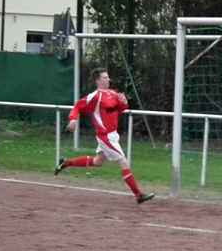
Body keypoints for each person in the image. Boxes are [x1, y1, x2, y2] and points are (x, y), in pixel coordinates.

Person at [54, 68, 154, 204]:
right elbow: (78, 106)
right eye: (105, 77)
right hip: (105, 136)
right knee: (123, 162)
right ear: (98, 80)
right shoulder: (95, 96)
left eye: (108, 77)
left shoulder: (113, 93)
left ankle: (66, 163)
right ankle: (138, 195)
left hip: (113, 135)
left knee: (98, 161)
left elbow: (121, 109)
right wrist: (73, 119)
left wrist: (124, 101)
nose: (108, 80)